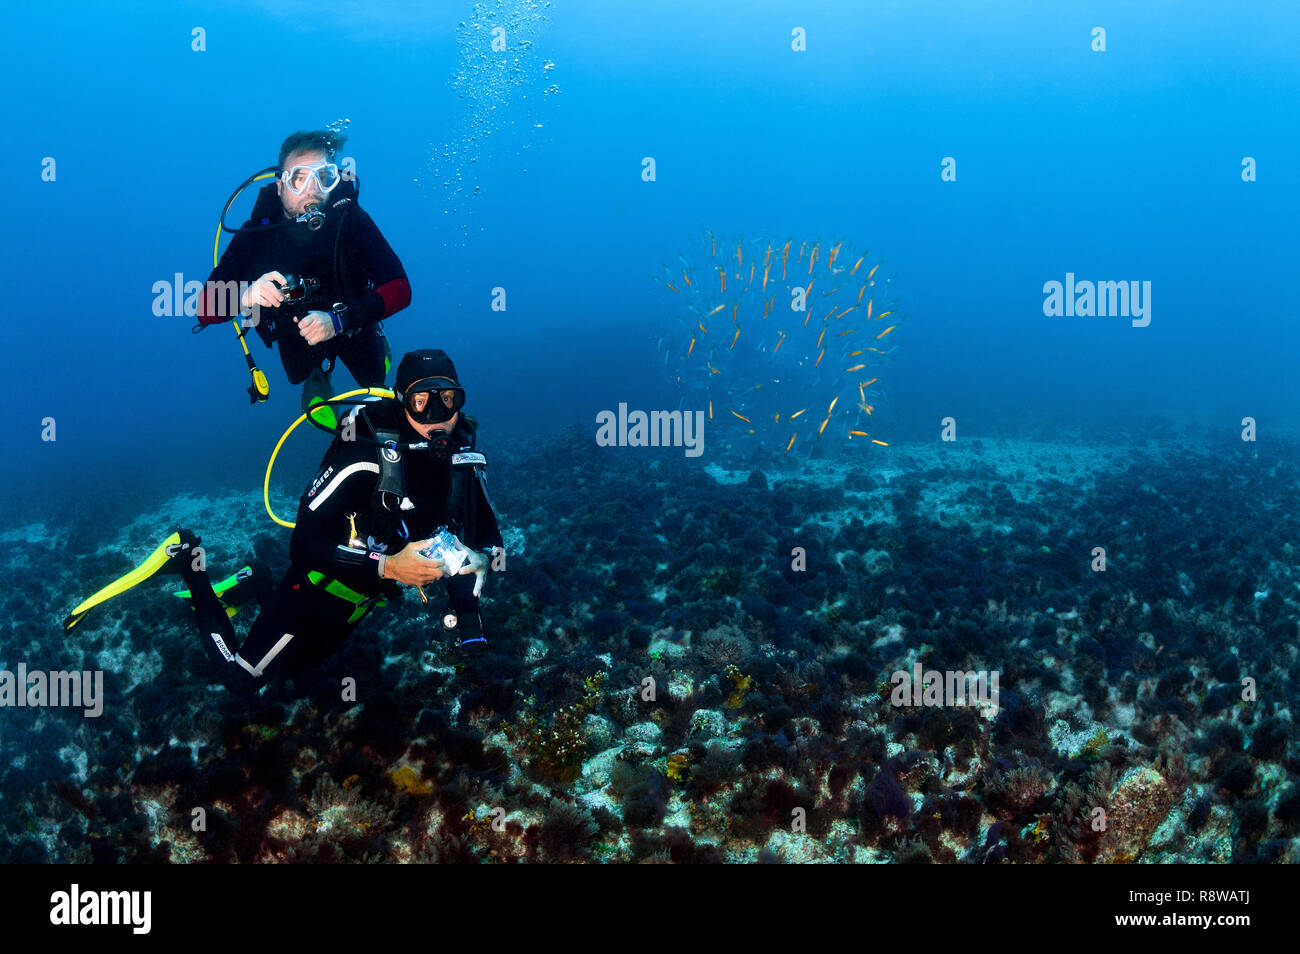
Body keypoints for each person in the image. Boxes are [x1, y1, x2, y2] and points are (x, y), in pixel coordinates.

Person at [63, 350, 504, 696]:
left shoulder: (463, 458)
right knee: (245, 679)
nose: (436, 417)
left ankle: (255, 581)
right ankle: (188, 561)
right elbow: (305, 543)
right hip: (313, 586)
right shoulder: (365, 454)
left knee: (296, 671)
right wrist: (389, 568)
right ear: (401, 401)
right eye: (421, 402)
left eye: (447, 400)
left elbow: (485, 540)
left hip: (359, 602)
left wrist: (472, 599)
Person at [197, 129, 412, 422]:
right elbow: (203, 308)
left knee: (375, 376)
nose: (312, 190)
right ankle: (319, 376)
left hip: (354, 321)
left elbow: (400, 289)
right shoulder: (256, 235)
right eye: (299, 179)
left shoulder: (350, 221)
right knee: (300, 375)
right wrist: (243, 296)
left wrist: (339, 321)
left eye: (322, 177)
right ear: (279, 186)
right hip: (294, 332)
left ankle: (371, 359)